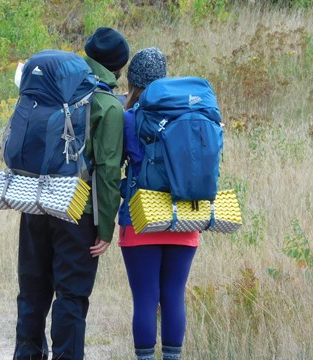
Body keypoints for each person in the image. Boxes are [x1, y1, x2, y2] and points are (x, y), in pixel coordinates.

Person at [13, 26, 129, 360]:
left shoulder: (53, 89)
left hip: (35, 202)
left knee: (32, 291)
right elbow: (107, 171)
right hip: (78, 212)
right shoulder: (107, 104)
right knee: (71, 296)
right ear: (118, 68)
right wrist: (106, 227)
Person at [119, 47, 199, 360]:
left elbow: (114, 169)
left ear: (133, 82)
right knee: (174, 297)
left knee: (145, 299)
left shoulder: (128, 119)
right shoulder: (190, 115)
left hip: (140, 220)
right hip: (184, 217)